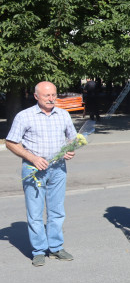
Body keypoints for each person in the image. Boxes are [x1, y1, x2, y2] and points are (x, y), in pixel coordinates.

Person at [5, 82, 78, 266]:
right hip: (33, 170)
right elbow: (11, 142)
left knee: (56, 211)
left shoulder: (63, 114)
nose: (52, 98)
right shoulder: (25, 116)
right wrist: (32, 157)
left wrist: (71, 149)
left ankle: (55, 248)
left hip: (58, 169)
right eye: (47, 96)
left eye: (54, 95)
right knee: (35, 212)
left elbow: (73, 138)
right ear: (36, 96)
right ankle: (38, 250)